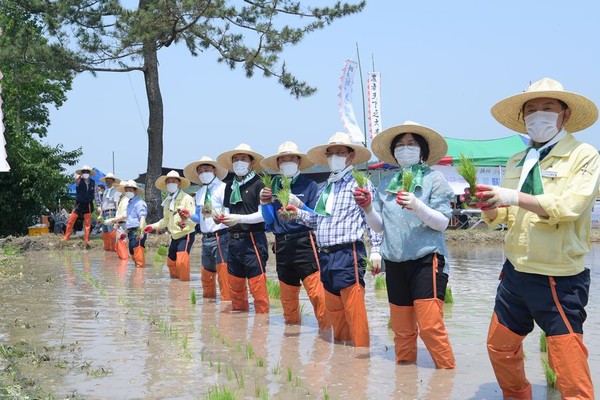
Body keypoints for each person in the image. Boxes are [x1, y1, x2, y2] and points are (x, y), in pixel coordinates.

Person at [469, 78, 599, 399]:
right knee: (499, 347)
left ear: (564, 114)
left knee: (567, 367)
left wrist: (511, 196)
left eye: (547, 108)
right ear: (523, 117)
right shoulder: (518, 159)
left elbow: (569, 206)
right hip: (515, 274)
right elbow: (503, 216)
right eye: (531, 109)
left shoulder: (584, 155)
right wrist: (489, 207)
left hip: (558, 277)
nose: (538, 115)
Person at [355, 121, 456, 368]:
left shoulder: (435, 179)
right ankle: (405, 382)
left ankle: (446, 377)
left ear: (422, 151)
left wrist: (418, 206)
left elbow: (443, 222)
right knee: (401, 330)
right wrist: (368, 207)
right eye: (400, 145)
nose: (405, 149)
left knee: (431, 327)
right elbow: (379, 226)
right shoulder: (386, 183)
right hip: (395, 263)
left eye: (411, 144)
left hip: (426, 260)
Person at [293, 132, 382, 348]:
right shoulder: (325, 187)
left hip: (348, 252)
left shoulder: (360, 184)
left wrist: (376, 250)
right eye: (331, 153)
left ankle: (362, 358)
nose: (335, 156)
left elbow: (372, 218)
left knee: (354, 311)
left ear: (351, 156)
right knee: (335, 312)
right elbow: (317, 222)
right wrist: (295, 212)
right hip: (325, 255)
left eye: (340, 152)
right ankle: (342, 361)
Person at [259, 141, 329, 329]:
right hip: (281, 245)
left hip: (305, 243)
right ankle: (291, 337)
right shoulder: (274, 188)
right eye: (283, 159)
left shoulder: (310, 186)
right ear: (278, 163)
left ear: (298, 161)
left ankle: (326, 333)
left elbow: (317, 217)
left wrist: (300, 205)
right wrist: (264, 203)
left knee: (317, 294)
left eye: (291, 158)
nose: (287, 162)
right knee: (287, 297)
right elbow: (269, 221)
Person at [216, 144, 269, 313]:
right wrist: (221, 218)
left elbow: (263, 215)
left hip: (253, 240)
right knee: (236, 287)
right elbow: (226, 211)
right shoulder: (229, 186)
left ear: (252, 163)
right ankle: (239, 327)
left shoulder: (259, 185)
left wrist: (238, 218)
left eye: (243, 159)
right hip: (233, 241)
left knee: (257, 287)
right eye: (236, 159)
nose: (239, 162)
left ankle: (262, 328)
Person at [184, 156, 231, 300]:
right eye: (200, 171)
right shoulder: (200, 193)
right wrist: (189, 216)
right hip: (206, 238)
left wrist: (219, 215)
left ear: (214, 170)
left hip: (221, 236)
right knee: (207, 274)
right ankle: (208, 307)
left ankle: (227, 303)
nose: (204, 173)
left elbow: (229, 212)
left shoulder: (224, 188)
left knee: (224, 272)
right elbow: (201, 218)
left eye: (207, 169)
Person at [145, 171, 196, 281]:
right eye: (168, 182)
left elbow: (193, 218)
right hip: (174, 236)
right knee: (171, 261)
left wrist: (186, 222)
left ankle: (184, 284)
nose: (171, 183)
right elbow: (165, 220)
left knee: (182, 261)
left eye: (173, 181)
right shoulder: (167, 201)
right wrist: (152, 226)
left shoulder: (187, 198)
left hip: (186, 234)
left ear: (179, 183)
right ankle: (175, 284)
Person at [61, 165, 96, 247]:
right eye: (84, 172)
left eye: (87, 172)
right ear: (82, 173)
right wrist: (76, 178)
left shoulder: (93, 183)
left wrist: (98, 205)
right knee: (71, 220)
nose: (85, 173)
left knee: (87, 223)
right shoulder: (79, 180)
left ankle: (86, 239)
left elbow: (96, 194)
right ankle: (66, 236)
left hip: (88, 204)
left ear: (89, 173)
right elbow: (75, 182)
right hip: (79, 203)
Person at [119, 180, 147, 268]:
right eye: (126, 190)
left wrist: (140, 231)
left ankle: (140, 274)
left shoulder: (140, 203)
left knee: (138, 252)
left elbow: (142, 217)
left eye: (130, 190)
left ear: (135, 191)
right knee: (132, 252)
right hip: (131, 231)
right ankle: (137, 273)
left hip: (137, 230)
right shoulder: (130, 203)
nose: (128, 192)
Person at [105, 180, 130, 261]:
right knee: (119, 246)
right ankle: (122, 268)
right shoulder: (122, 199)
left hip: (123, 225)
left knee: (122, 247)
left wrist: (112, 220)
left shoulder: (126, 200)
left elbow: (124, 215)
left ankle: (123, 269)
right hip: (120, 225)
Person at [98, 173, 122, 252]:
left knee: (111, 231)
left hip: (111, 212)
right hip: (104, 212)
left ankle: (113, 249)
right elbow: (102, 203)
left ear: (113, 181)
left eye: (109, 180)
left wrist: (118, 216)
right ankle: (107, 249)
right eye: (107, 181)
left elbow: (116, 203)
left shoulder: (115, 190)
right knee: (105, 231)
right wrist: (100, 215)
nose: (108, 182)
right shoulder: (105, 191)